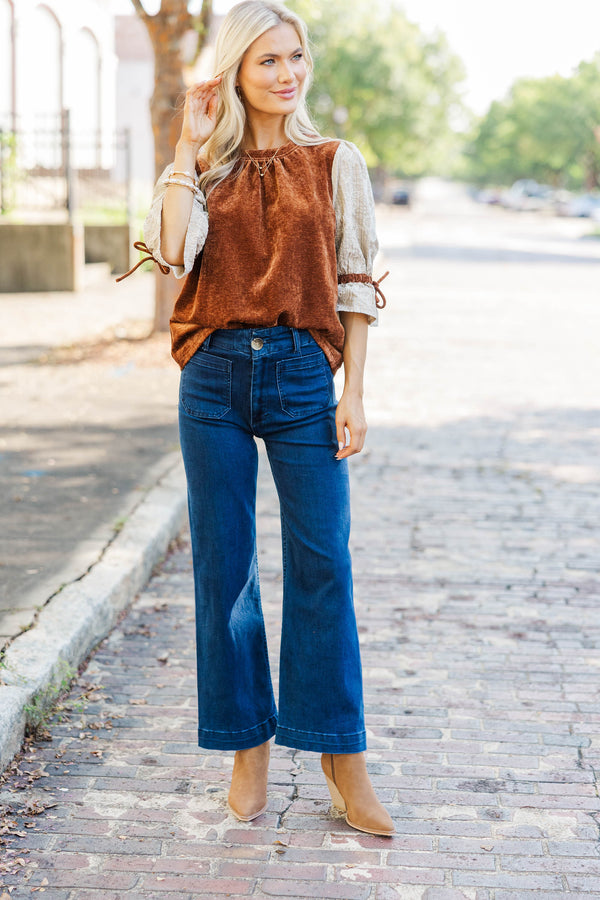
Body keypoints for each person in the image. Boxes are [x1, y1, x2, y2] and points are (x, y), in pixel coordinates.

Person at [141, 0, 393, 836]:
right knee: (227, 567)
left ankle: (338, 753)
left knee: (325, 561)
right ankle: (247, 744)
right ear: (238, 73)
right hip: (212, 379)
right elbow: (173, 252)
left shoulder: (334, 162)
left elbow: (355, 280)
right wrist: (186, 146)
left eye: (296, 58)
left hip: (299, 377)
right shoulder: (206, 174)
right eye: (268, 62)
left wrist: (352, 391)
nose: (288, 75)